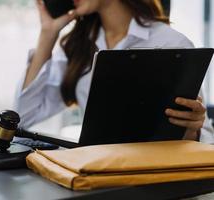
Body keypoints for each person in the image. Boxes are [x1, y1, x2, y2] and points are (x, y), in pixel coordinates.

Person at [14, 0, 214, 143]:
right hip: (95, 173)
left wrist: (191, 129)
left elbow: (204, 137)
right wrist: (48, 34)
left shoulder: (171, 43)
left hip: (156, 177)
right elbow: (22, 117)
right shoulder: (78, 47)